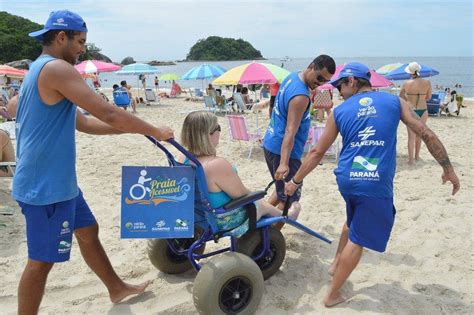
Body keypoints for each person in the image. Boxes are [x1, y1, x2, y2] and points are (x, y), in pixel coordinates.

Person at [13, 10, 174, 314]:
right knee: (42, 260)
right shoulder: (57, 69)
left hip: (61, 182)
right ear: (61, 37)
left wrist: (138, 131)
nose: (82, 49)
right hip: (44, 186)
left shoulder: (40, 69)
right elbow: (108, 113)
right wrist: (152, 129)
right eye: (80, 42)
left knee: (88, 231)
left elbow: (84, 123)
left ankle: (116, 287)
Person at [284, 62, 460, 307]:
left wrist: (295, 180)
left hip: (346, 178)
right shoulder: (394, 102)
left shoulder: (340, 112)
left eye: (340, 84)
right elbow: (425, 133)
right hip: (373, 181)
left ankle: (335, 265)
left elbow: (316, 152)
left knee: (352, 221)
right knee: (360, 238)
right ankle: (332, 294)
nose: (337, 90)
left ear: (353, 82)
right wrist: (448, 169)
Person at [179, 111, 301, 222]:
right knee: (259, 202)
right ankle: (287, 216)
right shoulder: (216, 165)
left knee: (260, 201)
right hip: (221, 218)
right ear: (208, 134)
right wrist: (258, 197)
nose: (219, 132)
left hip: (198, 213)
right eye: (218, 128)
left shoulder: (182, 158)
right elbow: (242, 194)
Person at [262, 54, 336, 215]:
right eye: (319, 77)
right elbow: (290, 130)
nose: (320, 83)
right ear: (311, 66)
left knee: (282, 189)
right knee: (289, 200)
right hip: (283, 150)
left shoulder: (292, 77)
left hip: (271, 142)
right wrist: (284, 162)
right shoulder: (300, 96)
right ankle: (266, 237)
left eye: (325, 81)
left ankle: (260, 216)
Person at [399, 62, 432, 164]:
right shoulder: (427, 82)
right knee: (420, 135)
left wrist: (408, 100)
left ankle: (411, 160)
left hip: (412, 110)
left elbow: (401, 96)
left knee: (411, 136)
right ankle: (417, 157)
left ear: (410, 72)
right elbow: (428, 97)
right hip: (423, 110)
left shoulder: (406, 83)